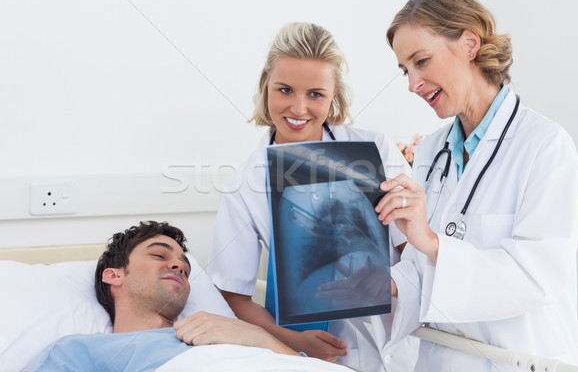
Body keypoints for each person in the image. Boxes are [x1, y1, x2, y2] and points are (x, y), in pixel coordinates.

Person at [376, 0, 578, 370]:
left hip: (517, 361)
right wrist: (380, 285)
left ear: (469, 42)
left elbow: (537, 278)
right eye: (405, 70)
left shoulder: (545, 146)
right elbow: (425, 271)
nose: (411, 84)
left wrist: (433, 242)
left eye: (422, 61)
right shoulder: (430, 151)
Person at [207, 22, 418, 372]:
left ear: (334, 95)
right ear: (266, 88)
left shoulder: (376, 150)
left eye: (316, 94)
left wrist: (391, 281)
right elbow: (232, 295)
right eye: (285, 90)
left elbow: (413, 245)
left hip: (396, 338)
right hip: (306, 349)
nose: (299, 108)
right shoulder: (243, 185)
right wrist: (288, 340)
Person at [27, 221, 304, 371]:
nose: (179, 266)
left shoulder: (232, 335)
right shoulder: (79, 352)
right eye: (159, 255)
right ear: (114, 275)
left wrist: (259, 337)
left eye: (185, 266)